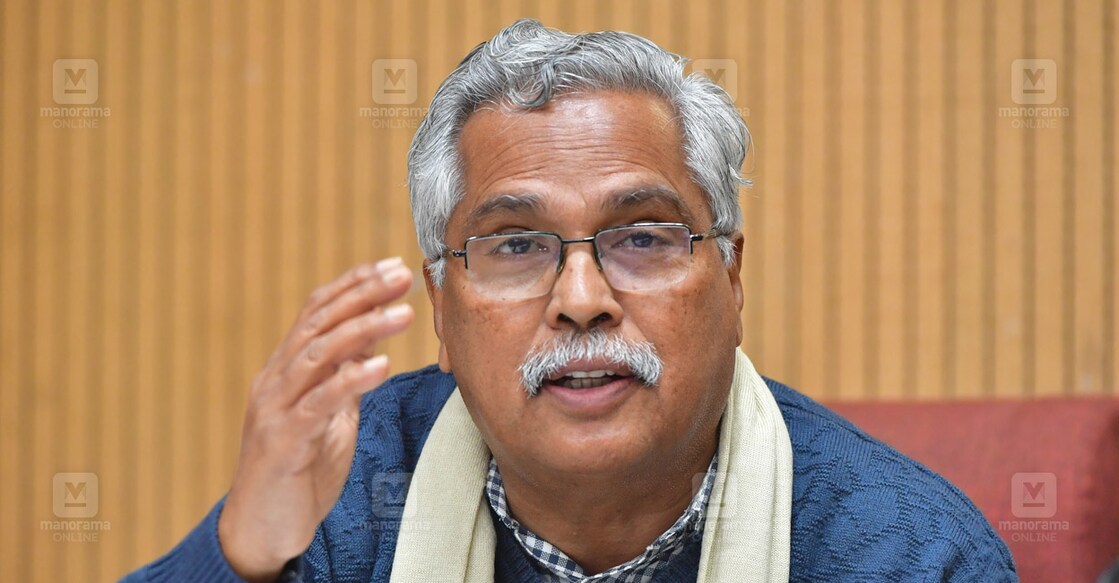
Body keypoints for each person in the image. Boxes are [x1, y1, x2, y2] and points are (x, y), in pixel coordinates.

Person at [124, 19, 1017, 583]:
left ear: (732, 278)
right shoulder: (349, 502)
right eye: (515, 245)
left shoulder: (903, 553)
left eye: (641, 237)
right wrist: (243, 551)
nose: (582, 300)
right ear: (440, 305)